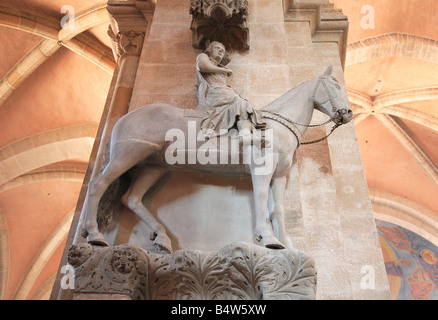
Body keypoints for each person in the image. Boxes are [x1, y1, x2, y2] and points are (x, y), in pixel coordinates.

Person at [196, 41, 266, 145]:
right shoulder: (203, 56)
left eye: (223, 50)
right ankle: (244, 135)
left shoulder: (220, 67)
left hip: (222, 92)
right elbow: (202, 66)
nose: (220, 51)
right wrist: (224, 70)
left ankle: (247, 132)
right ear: (210, 50)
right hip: (214, 93)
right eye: (217, 48)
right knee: (239, 102)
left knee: (243, 102)